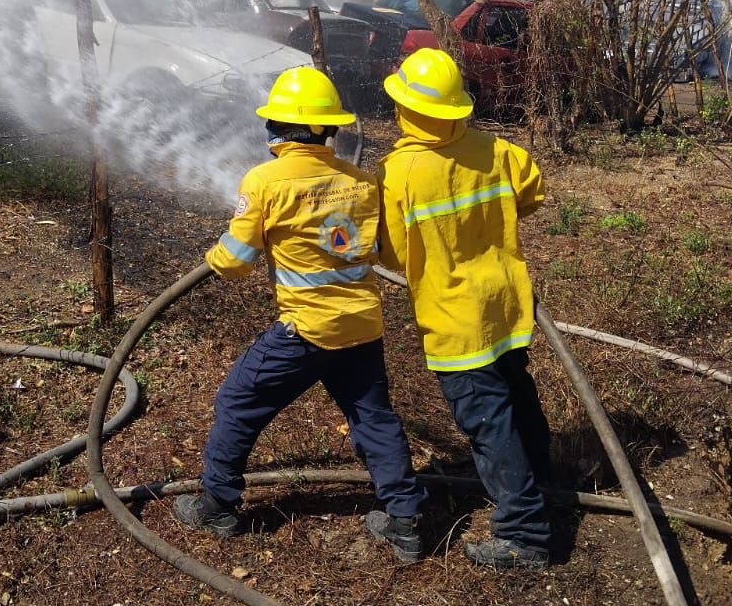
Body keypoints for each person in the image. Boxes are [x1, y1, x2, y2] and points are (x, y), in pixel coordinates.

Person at [173, 66, 429, 562]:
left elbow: (235, 263)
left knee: (236, 402)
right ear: (326, 128)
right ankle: (405, 521)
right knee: (373, 418)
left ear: (282, 130)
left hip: (306, 332)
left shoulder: (264, 182)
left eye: (273, 121)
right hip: (361, 326)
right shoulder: (362, 182)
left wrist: (218, 253)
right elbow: (382, 249)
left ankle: (217, 506)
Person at [377, 47, 555, 570]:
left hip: (457, 322)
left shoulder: (397, 174)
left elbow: (391, 253)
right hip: (506, 306)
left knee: (488, 423)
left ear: (406, 109)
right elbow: (531, 195)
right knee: (518, 397)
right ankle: (543, 482)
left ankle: (524, 534)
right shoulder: (499, 150)